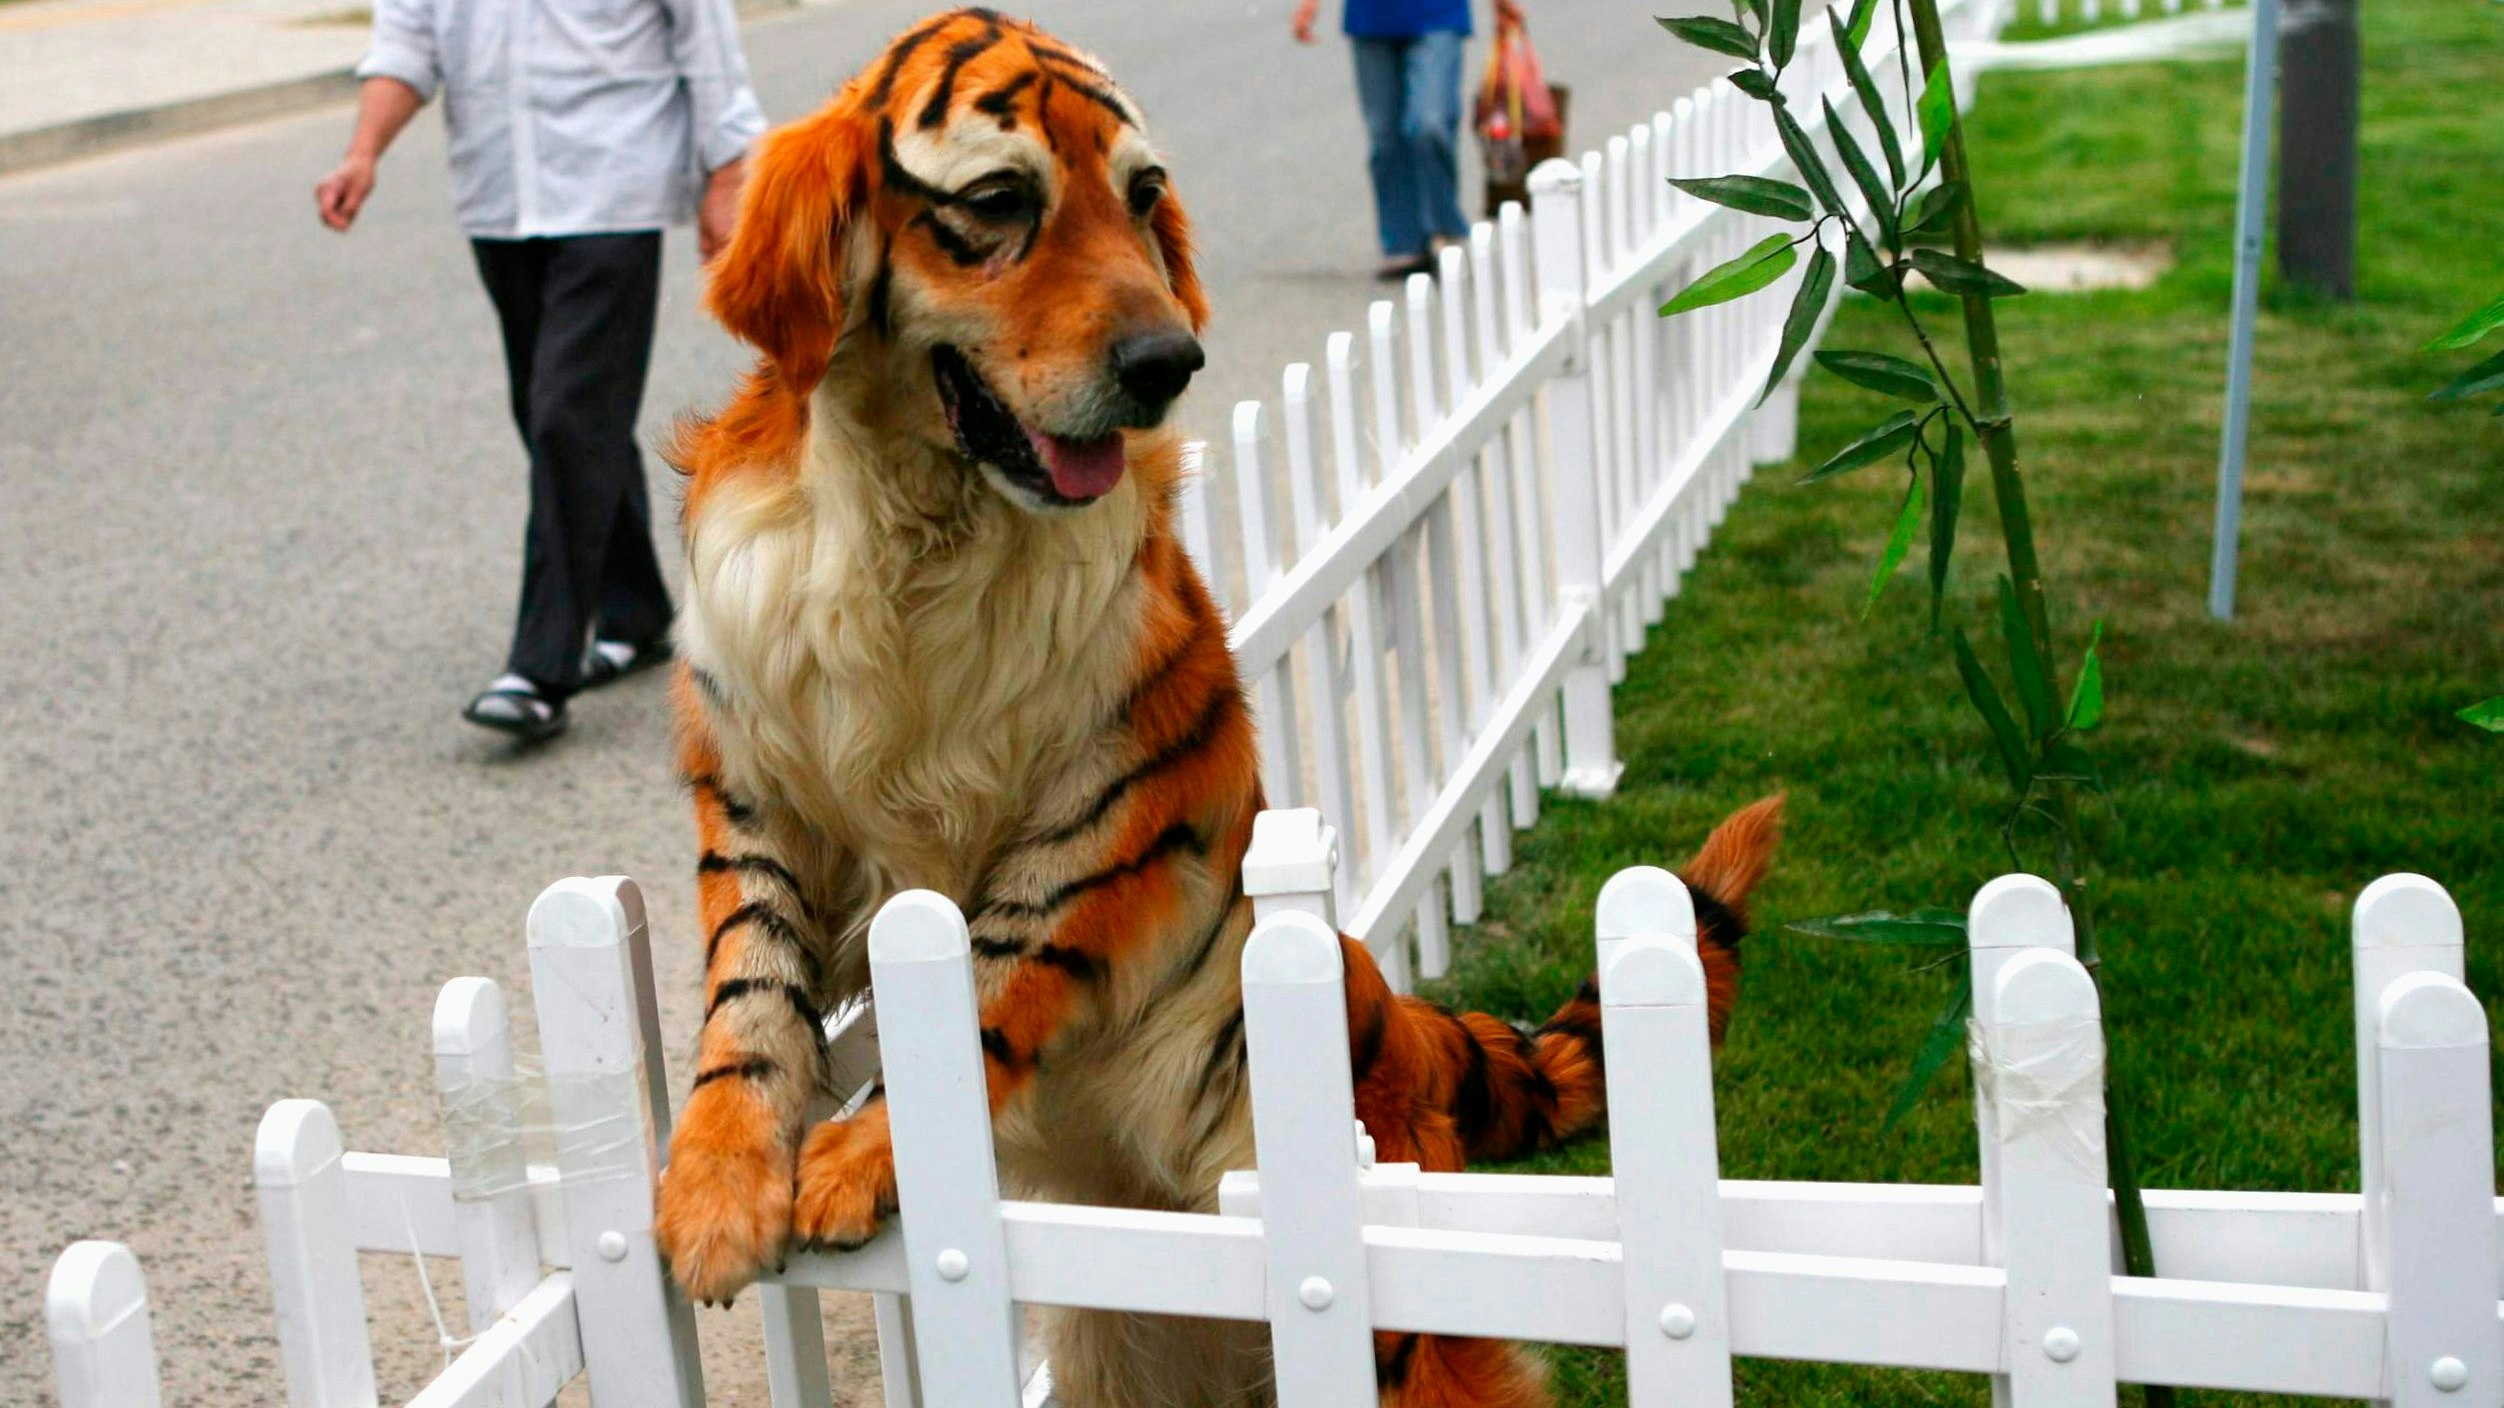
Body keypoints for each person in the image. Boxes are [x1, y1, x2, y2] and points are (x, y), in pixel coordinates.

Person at [314, 0, 766, 742]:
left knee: (569, 416)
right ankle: (636, 608)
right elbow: (406, 43)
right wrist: (363, 151)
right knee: (554, 415)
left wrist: (728, 173)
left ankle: (540, 668)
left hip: (613, 189)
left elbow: (704, 39)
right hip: (497, 196)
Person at [1293, 0, 1523, 280]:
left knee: (1430, 124)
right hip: (1371, 18)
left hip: (1438, 14)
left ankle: (1445, 229)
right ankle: (1404, 242)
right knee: (1385, 137)